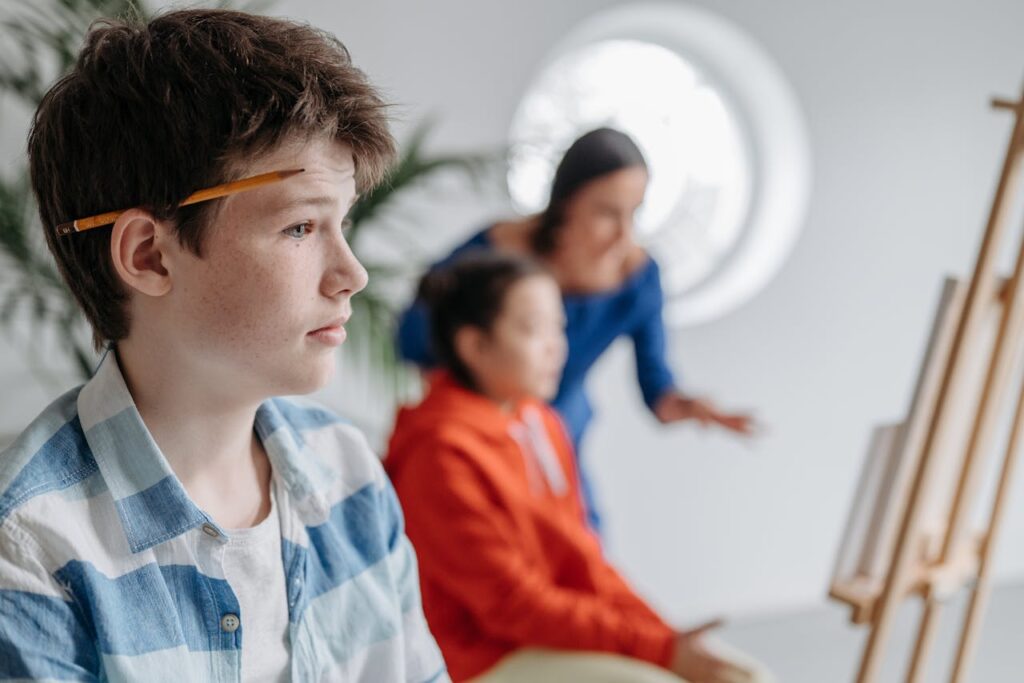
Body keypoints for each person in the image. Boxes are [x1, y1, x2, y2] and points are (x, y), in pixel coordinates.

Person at [0, 10, 446, 682]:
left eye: (342, 222)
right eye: (300, 226)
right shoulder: (31, 546)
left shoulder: (348, 473)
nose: (352, 273)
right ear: (150, 254)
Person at [385, 252, 772, 683]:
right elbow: (511, 606)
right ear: (474, 345)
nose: (556, 346)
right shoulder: (440, 453)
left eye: (559, 327)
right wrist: (657, 650)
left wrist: (663, 636)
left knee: (746, 676)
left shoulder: (541, 421)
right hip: (478, 658)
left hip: (544, 633)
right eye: (534, 329)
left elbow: (585, 560)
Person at [397, 128, 754, 532]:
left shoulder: (638, 278)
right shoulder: (496, 252)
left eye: (634, 213)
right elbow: (413, 336)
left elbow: (657, 382)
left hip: (562, 431)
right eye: (606, 212)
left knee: (578, 540)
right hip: (482, 430)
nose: (624, 234)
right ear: (566, 203)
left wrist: (687, 406)